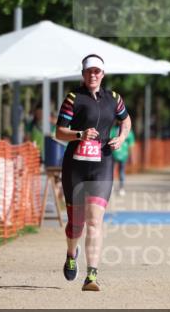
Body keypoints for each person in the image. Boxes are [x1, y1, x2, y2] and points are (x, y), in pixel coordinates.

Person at [55, 54, 131, 291]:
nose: (93, 75)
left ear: (103, 74)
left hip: (102, 164)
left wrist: (121, 137)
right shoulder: (73, 98)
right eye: (89, 71)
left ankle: (92, 276)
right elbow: (59, 132)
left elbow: (126, 121)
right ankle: (71, 253)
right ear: (83, 74)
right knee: (76, 223)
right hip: (75, 166)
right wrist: (79, 134)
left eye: (97, 71)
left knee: (95, 221)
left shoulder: (114, 98)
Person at [110, 123, 135, 196]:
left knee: (121, 172)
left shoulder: (128, 132)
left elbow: (131, 145)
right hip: (114, 154)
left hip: (123, 155)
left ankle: (121, 188)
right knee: (112, 171)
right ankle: (111, 187)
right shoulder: (113, 130)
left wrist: (131, 157)